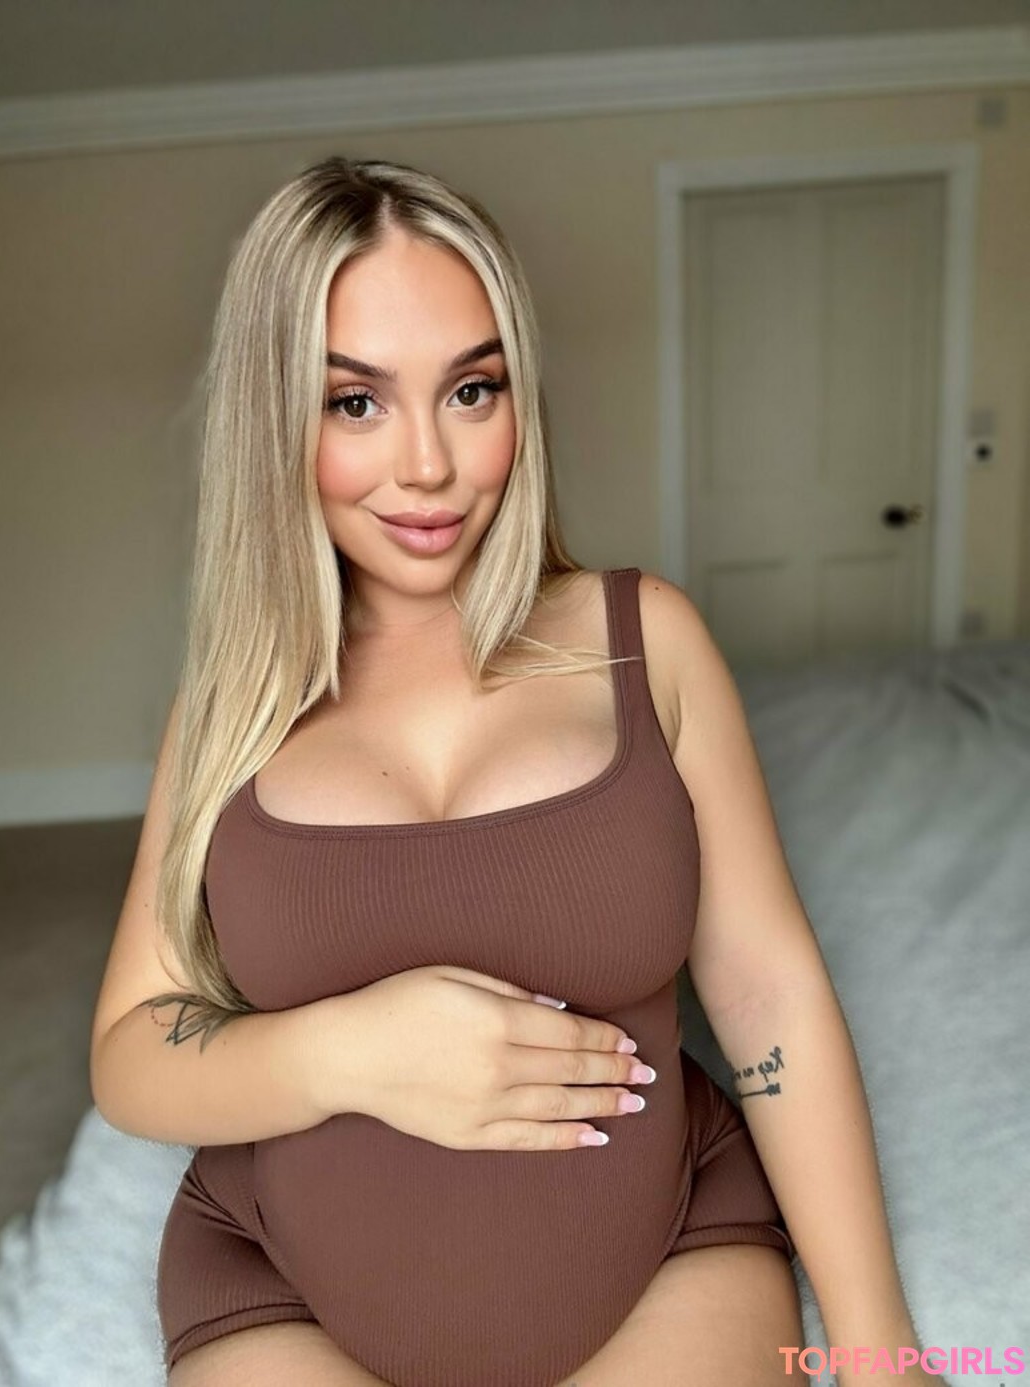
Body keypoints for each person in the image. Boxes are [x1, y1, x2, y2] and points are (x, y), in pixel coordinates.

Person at [89, 156, 943, 1387]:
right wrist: (348, 1052)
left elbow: (767, 993)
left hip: (671, 1252)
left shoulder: (648, 643)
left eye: (471, 389)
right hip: (282, 1290)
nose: (429, 465)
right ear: (273, 420)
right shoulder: (229, 712)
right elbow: (132, 1052)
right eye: (355, 402)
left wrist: (880, 1352)